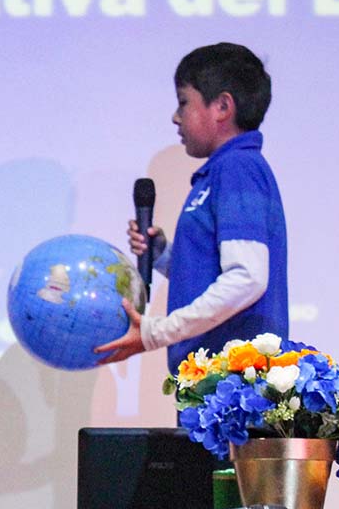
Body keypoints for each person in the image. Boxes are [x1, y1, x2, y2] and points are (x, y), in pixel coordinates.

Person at [95, 42, 288, 386]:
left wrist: (156, 332)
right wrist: (165, 256)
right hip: (212, 385)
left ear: (222, 106)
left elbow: (247, 276)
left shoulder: (238, 167)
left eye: (183, 102)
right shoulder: (220, 172)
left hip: (235, 390)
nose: (175, 116)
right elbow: (215, 273)